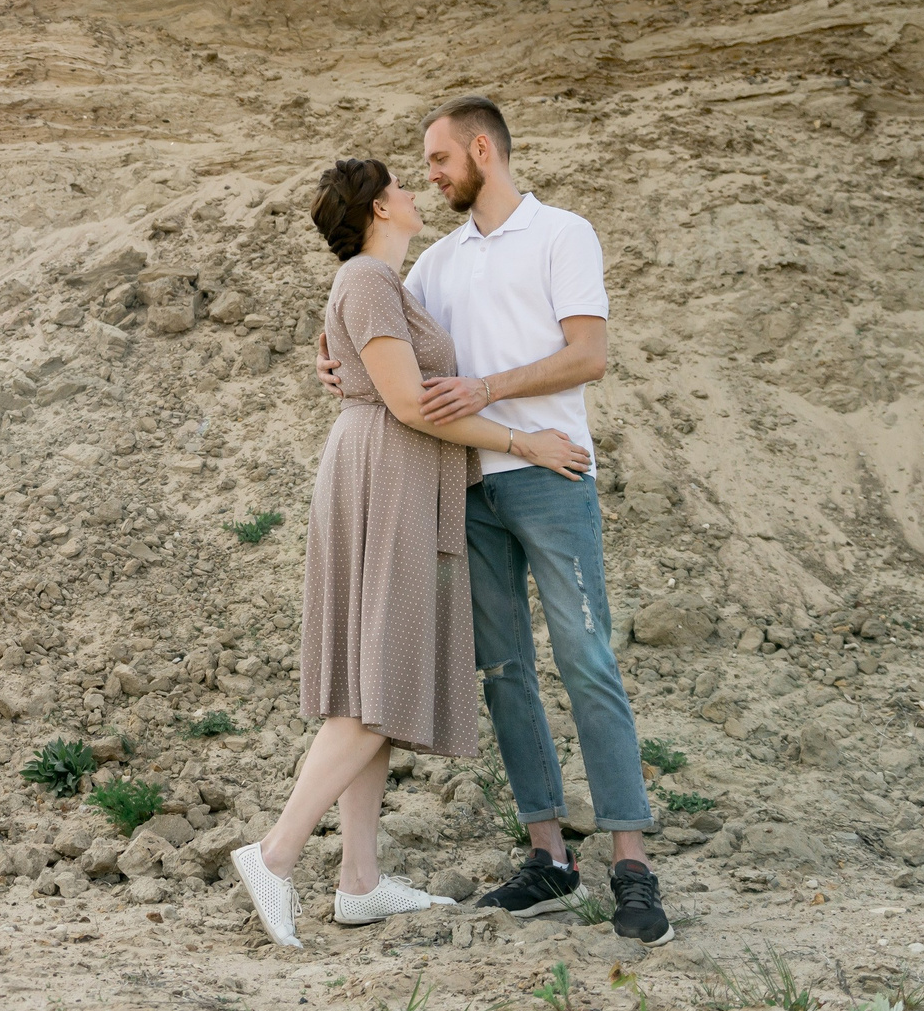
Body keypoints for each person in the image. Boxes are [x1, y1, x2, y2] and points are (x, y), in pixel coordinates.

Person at [317, 95, 672, 945]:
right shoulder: (433, 263)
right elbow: (367, 316)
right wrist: (330, 365)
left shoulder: (563, 234)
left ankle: (632, 864)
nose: (431, 174)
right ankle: (548, 856)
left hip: (551, 471)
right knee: (506, 670)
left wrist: (488, 388)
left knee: (588, 660)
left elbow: (591, 353)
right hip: (467, 488)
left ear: (483, 149)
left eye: (439, 159)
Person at [232, 157, 591, 950]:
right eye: (400, 184)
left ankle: (359, 880)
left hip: (393, 474)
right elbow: (409, 401)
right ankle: (275, 852)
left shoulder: (391, 280)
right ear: (378, 207)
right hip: (387, 475)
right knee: (380, 685)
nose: (414, 191)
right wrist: (522, 440)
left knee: (376, 680)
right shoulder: (367, 278)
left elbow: (368, 363)